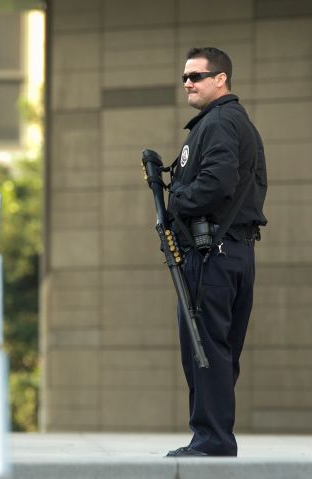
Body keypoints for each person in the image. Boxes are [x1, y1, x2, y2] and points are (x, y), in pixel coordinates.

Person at [165, 47, 267, 457]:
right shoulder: (231, 122)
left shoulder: (220, 122)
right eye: (185, 77)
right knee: (217, 351)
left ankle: (211, 439)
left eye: (197, 76)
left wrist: (175, 201)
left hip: (215, 256)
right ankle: (214, 437)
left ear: (221, 79)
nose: (188, 82)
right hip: (233, 252)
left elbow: (217, 184)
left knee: (203, 348)